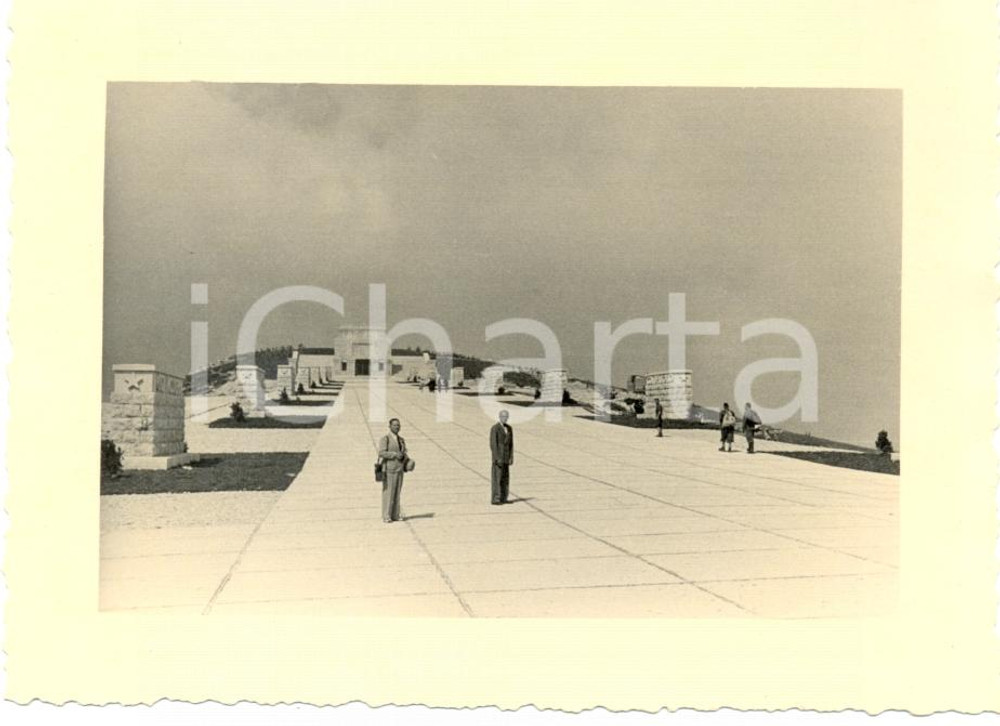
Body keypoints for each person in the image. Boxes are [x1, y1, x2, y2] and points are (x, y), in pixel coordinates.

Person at [377, 418, 409, 522]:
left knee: (397, 493)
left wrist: (406, 459)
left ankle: (395, 515)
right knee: (388, 493)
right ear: (390, 426)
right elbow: (381, 453)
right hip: (389, 469)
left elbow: (404, 452)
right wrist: (394, 454)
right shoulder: (385, 439)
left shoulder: (401, 440)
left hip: (399, 469)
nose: (397, 427)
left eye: (398, 425)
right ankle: (386, 515)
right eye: (394, 425)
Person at [489, 409, 514, 505]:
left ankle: (504, 497)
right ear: (499, 417)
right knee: (497, 479)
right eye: (503, 416)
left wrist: (511, 457)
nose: (505, 418)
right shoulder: (495, 428)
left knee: (505, 479)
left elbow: (511, 444)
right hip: (498, 458)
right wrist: (496, 458)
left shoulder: (509, 428)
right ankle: (496, 498)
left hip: (506, 458)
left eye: (506, 417)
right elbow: (493, 444)